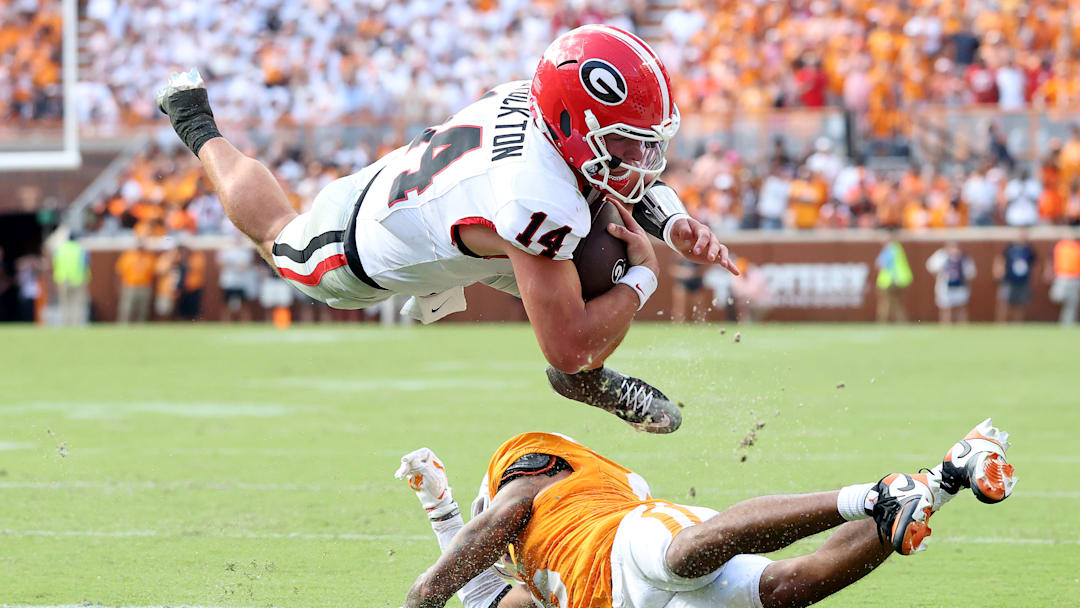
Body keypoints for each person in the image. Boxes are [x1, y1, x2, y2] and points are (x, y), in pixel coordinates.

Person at [156, 25, 739, 434]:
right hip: (361, 239)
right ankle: (197, 122)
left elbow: (608, 176)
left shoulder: (536, 106)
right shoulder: (534, 196)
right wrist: (643, 278)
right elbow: (568, 344)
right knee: (277, 235)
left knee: (601, 245)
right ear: (570, 121)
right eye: (626, 140)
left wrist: (672, 222)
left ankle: (581, 380)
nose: (641, 157)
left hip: (462, 214)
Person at [396, 421, 1016, 608]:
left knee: (681, 556)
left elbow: (483, 537)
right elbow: (479, 599)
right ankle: (945, 477)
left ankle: (870, 497)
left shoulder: (531, 482)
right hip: (628, 601)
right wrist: (437, 506)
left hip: (621, 542)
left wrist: (421, 596)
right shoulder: (533, 579)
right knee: (786, 589)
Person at [926, 241, 976, 324]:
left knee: (961, 307)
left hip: (960, 285)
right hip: (945, 286)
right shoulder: (941, 256)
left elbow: (970, 273)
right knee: (946, 308)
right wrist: (939, 277)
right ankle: (946, 326)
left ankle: (962, 326)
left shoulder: (964, 257)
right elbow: (931, 267)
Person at [993, 230, 1035, 323]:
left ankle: (1017, 325)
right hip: (1009, 280)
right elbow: (1000, 259)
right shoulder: (1009, 248)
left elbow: (1034, 263)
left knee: (1020, 304)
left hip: (1023, 282)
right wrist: (998, 270)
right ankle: (1001, 324)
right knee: (1004, 302)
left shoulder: (1029, 249)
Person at [51, 232, 90, 326]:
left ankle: (66, 323)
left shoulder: (60, 249)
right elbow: (86, 264)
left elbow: (55, 264)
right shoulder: (80, 249)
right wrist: (87, 278)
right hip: (78, 279)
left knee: (65, 303)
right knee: (77, 303)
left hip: (63, 279)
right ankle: (76, 324)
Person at [115, 239, 156, 323]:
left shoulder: (149, 257)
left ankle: (141, 326)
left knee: (143, 309)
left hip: (145, 286)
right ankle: (123, 326)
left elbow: (154, 272)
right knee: (126, 308)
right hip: (130, 286)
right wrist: (119, 287)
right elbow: (119, 273)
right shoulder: (128, 256)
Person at [874, 232, 912, 323]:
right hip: (900, 281)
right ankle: (902, 322)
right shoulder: (898, 249)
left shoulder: (889, 250)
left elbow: (880, 264)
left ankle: (882, 322)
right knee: (897, 303)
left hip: (890, 282)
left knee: (886, 303)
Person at [1046, 234, 1080, 325]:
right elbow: (1051, 259)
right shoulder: (1060, 245)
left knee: (1072, 303)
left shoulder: (1077, 246)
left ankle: (1067, 324)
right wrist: (1049, 272)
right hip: (1062, 275)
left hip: (1075, 276)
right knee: (1057, 296)